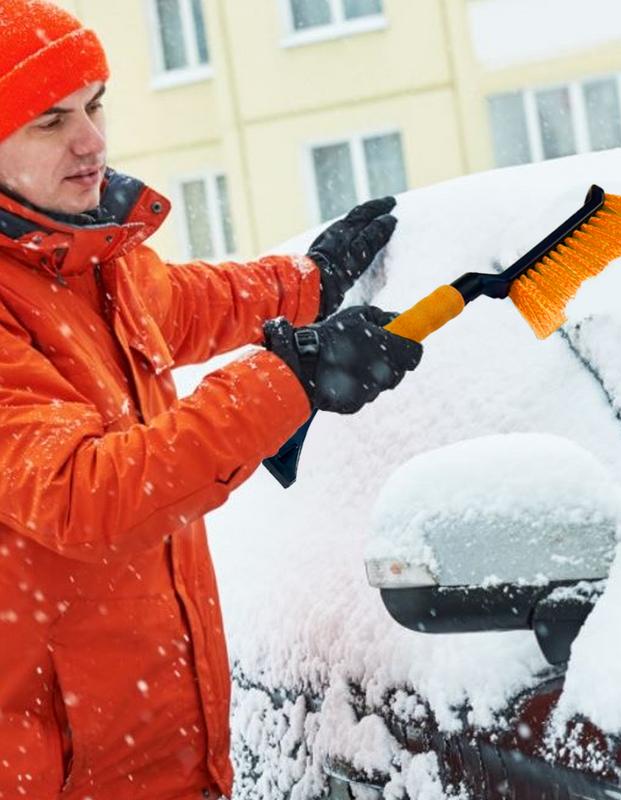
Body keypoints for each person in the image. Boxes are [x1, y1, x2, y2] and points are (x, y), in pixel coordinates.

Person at [0, 2, 422, 798]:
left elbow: (190, 304)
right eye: (49, 121)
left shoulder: (88, 261)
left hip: (167, 760)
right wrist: (291, 380)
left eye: (94, 106)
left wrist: (309, 282)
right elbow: (85, 494)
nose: (91, 141)